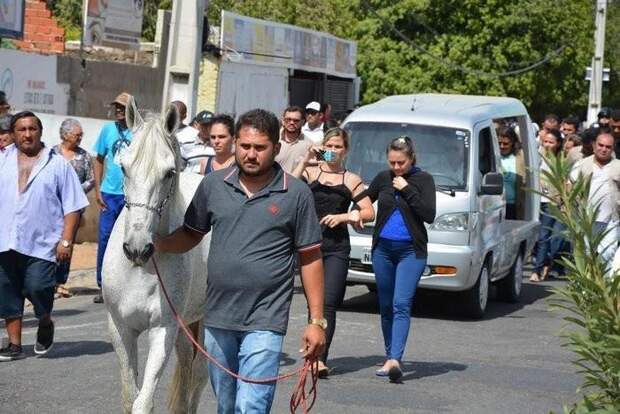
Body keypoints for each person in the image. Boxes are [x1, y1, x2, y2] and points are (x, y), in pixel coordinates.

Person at [153, 108, 326, 413]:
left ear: (276, 147)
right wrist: (159, 245)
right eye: (245, 146)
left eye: (260, 148)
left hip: (266, 319)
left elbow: (310, 257)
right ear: (235, 144)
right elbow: (191, 234)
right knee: (227, 405)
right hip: (217, 316)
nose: (250, 154)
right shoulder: (213, 185)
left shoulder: (296, 194)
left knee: (251, 406)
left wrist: (316, 322)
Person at [0, 112, 89, 361]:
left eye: (32, 129)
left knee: (38, 286)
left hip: (42, 243)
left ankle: (45, 320)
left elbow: (73, 206)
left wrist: (66, 240)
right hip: (5, 240)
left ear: (40, 132)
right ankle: (14, 345)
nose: (27, 134)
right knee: (7, 292)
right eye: (21, 129)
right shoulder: (2, 159)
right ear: (13, 133)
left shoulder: (57, 163)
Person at [291, 127, 374, 377]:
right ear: (323, 146)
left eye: (338, 147)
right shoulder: (311, 170)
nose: (333, 151)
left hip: (337, 247)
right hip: (309, 244)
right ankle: (312, 355)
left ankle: (320, 359)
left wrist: (346, 216)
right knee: (313, 303)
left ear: (345, 150)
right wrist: (305, 159)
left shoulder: (351, 179)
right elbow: (288, 189)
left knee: (329, 302)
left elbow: (369, 212)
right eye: (329, 146)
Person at [354, 136, 436, 382]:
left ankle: (395, 358)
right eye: (392, 162)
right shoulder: (383, 177)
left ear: (411, 158)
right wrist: (356, 214)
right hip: (383, 250)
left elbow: (429, 214)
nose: (397, 167)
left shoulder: (423, 179)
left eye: (401, 162)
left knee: (401, 303)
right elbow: (364, 198)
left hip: (411, 251)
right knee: (386, 305)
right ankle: (390, 353)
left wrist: (407, 189)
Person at [92, 92, 133, 304]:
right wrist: (98, 189)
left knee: (128, 239)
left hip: (130, 196)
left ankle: (126, 283)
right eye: (116, 106)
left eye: (123, 107)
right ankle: (103, 284)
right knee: (106, 238)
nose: (118, 110)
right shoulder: (107, 130)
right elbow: (98, 160)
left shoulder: (138, 132)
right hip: (109, 193)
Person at [52, 118, 95, 298]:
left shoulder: (84, 156)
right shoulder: (52, 153)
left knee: (66, 243)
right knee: (50, 243)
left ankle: (60, 281)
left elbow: (92, 179)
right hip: (51, 206)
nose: (80, 138)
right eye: (77, 135)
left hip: (73, 209)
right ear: (66, 135)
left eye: (81, 135)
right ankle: (47, 281)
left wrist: (75, 191)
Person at [571, 130, 620, 263]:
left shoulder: (618, 166)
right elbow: (569, 186)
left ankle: (605, 284)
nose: (604, 149)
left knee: (608, 256)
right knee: (584, 255)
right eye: (601, 145)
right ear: (594, 145)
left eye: (608, 147)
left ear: (612, 148)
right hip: (585, 219)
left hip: (611, 221)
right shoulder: (581, 165)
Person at [530, 129, 564, 282]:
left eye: (552, 142)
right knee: (537, 236)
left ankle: (537, 269)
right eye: (546, 141)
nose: (548, 145)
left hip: (551, 203)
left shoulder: (561, 161)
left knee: (546, 237)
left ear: (558, 144)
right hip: (535, 200)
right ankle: (542, 263)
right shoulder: (537, 156)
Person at [497, 127, 525, 220]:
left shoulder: (519, 158)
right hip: (495, 205)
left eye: (505, 144)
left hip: (512, 206)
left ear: (512, 142)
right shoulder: (493, 156)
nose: (502, 146)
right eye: (499, 143)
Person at [274, 105, 313, 173]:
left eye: (296, 120)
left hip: (296, 183)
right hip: (275, 182)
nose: (292, 123)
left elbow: (331, 158)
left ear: (303, 122)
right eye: (288, 119)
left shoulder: (309, 144)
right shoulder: (273, 140)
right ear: (283, 120)